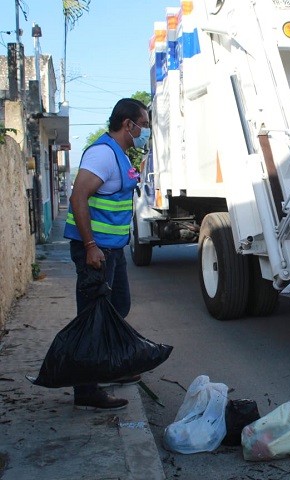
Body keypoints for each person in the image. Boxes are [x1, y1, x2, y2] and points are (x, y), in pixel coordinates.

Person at [64, 98, 150, 410]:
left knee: (117, 307)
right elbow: (78, 197)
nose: (146, 131)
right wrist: (89, 247)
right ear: (129, 124)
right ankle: (87, 390)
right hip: (96, 252)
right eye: (144, 124)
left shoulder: (121, 155)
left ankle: (111, 366)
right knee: (92, 319)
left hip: (112, 250)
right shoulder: (103, 154)